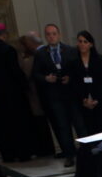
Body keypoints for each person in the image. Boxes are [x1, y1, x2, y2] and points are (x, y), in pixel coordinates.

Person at [33, 23, 83, 167]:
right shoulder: (41, 53)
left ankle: (86, 152)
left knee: (79, 124)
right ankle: (69, 154)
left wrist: (70, 78)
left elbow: (77, 70)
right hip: (54, 95)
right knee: (62, 126)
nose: (51, 36)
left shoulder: (71, 50)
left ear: (59, 35)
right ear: (45, 36)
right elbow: (36, 74)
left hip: (71, 94)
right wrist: (46, 78)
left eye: (54, 33)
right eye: (48, 34)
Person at [0, 24, 34, 164]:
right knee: (18, 124)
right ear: (4, 34)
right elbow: (15, 72)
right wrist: (26, 86)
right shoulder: (7, 49)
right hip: (13, 94)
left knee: (1, 126)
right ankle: (22, 154)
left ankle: (7, 155)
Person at [72, 31, 102, 134]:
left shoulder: (100, 59)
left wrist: (97, 99)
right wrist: (84, 100)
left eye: (85, 41)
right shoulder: (74, 62)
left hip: (99, 100)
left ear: (91, 44)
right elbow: (75, 83)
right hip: (83, 102)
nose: (82, 44)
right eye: (80, 41)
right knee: (87, 129)